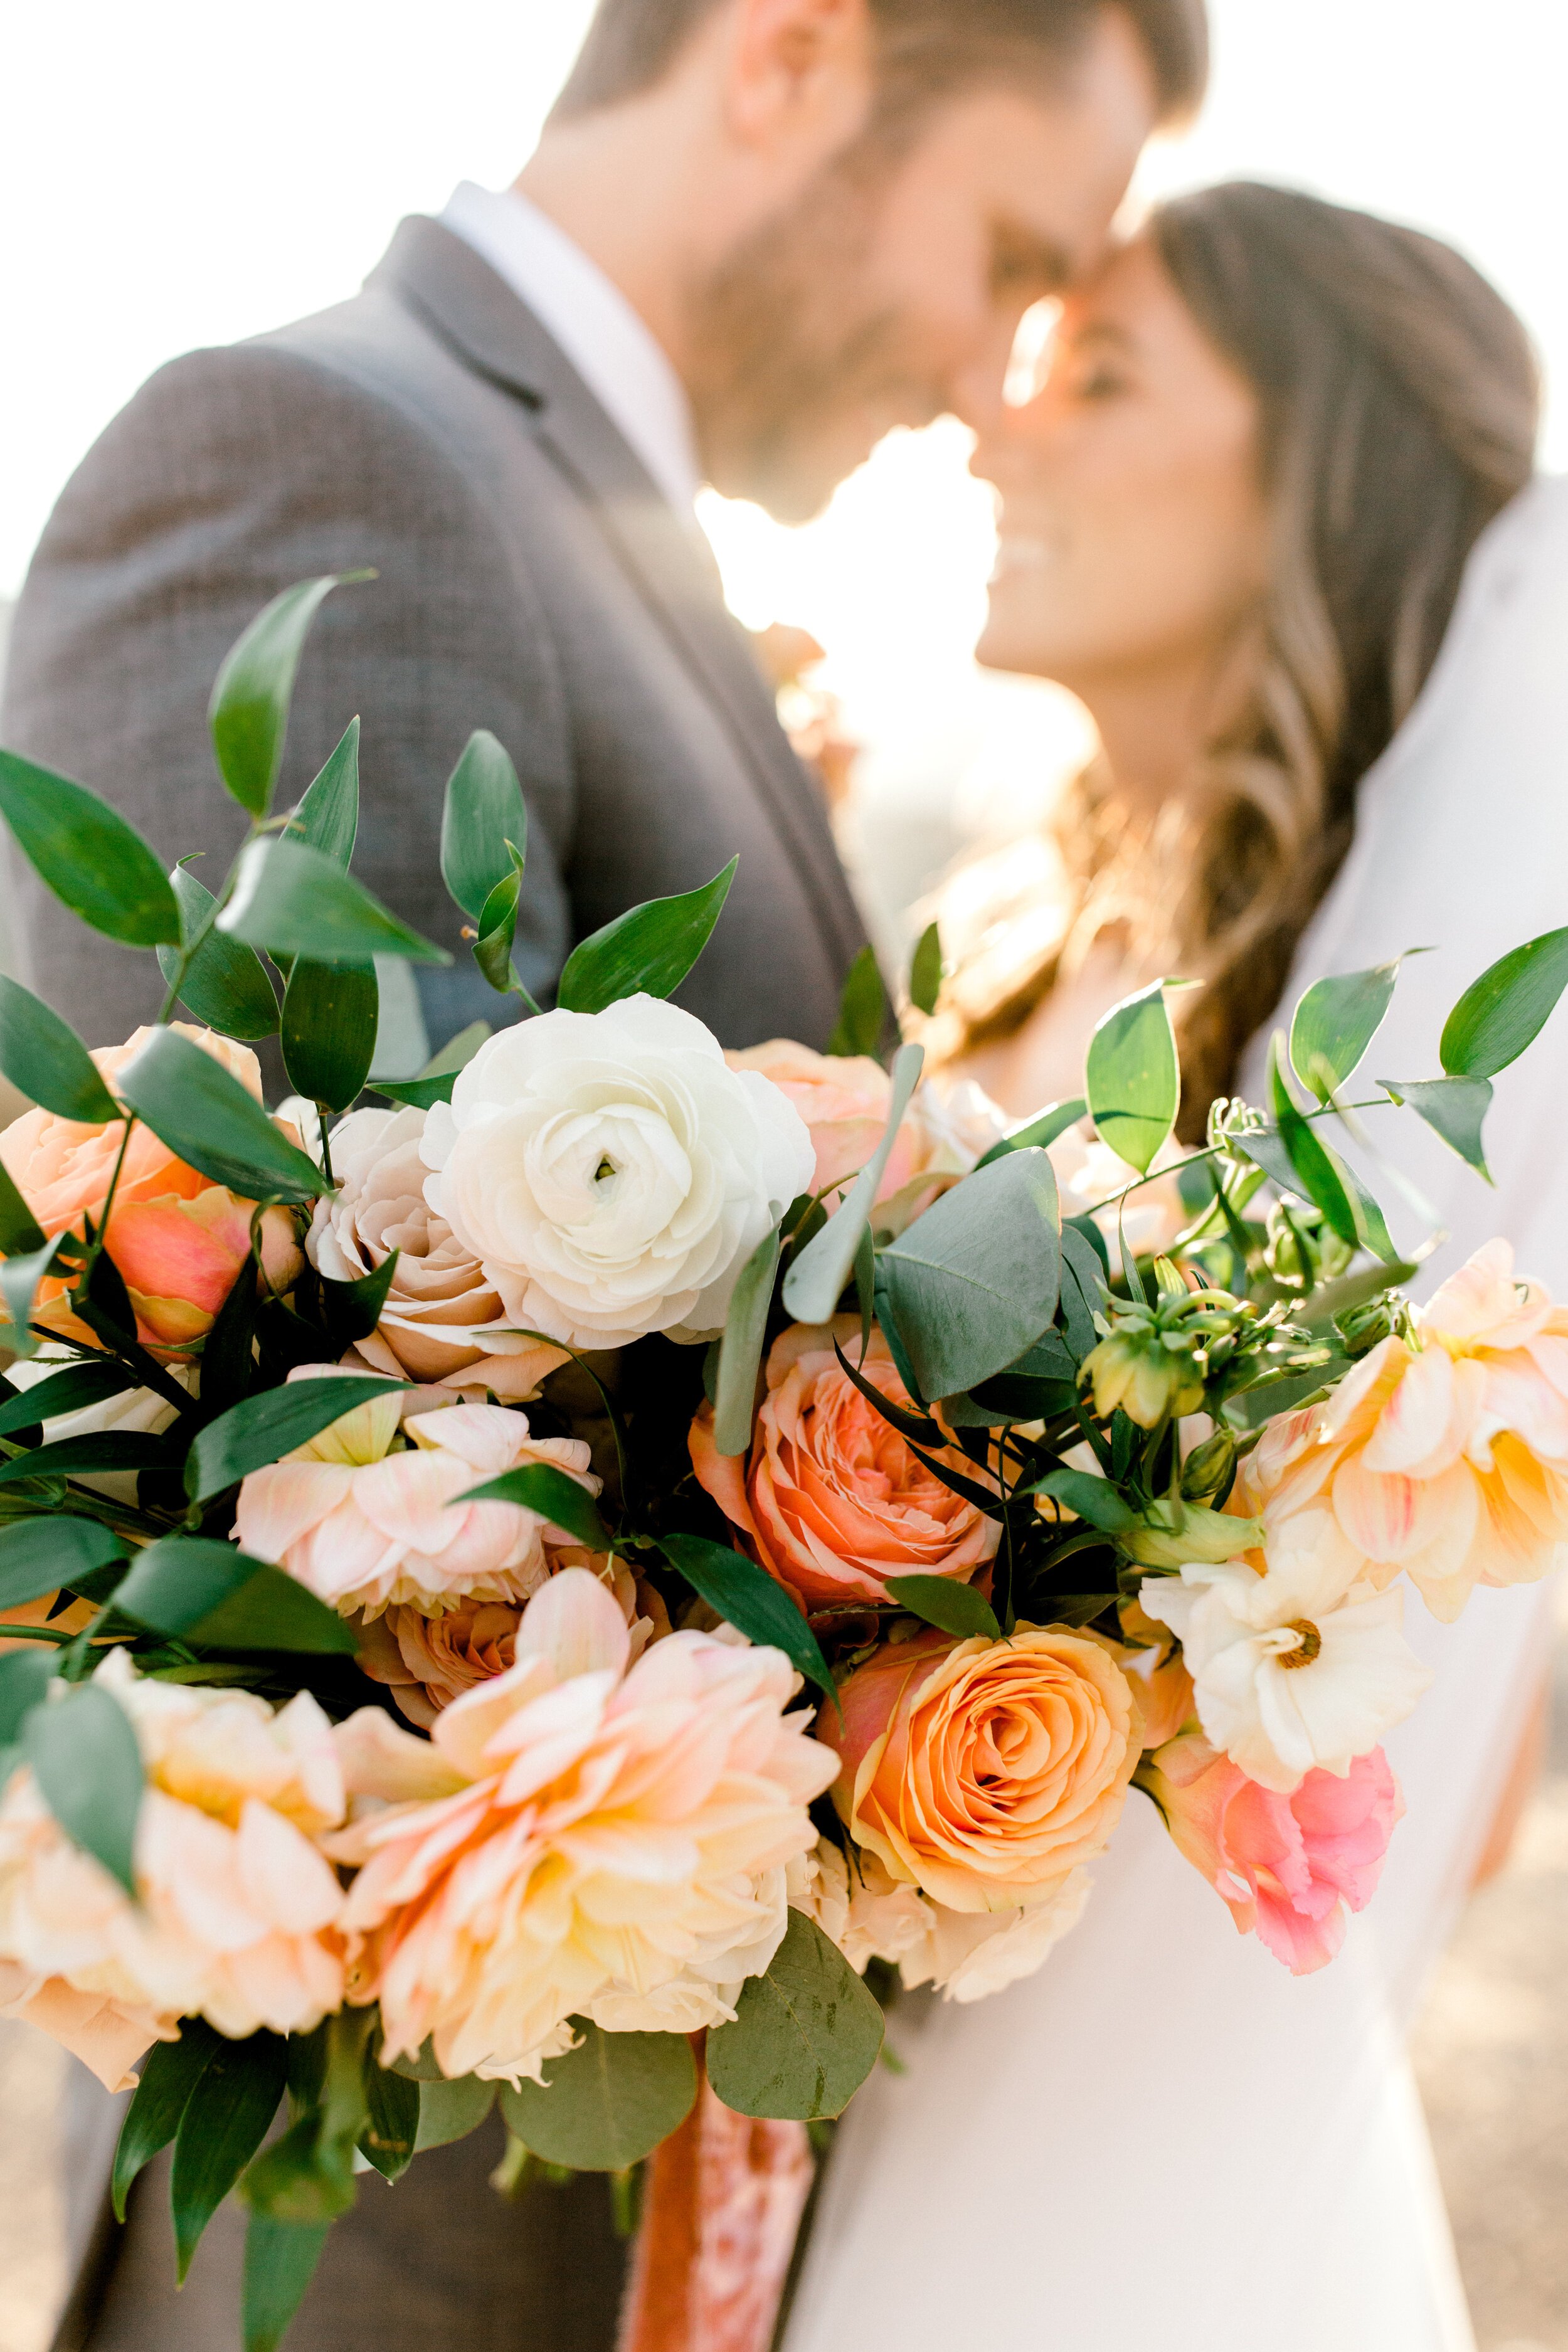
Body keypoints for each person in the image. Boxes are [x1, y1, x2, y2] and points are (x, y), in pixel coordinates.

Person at [7, 4, 1209, 2348]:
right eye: (999, 253)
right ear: (790, 54)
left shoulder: (556, 512)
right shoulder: (316, 450)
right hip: (420, 2229)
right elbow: (307, 1435)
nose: (988, 376)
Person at [783, 184, 1561, 2352]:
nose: (992, 429)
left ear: (1319, 474)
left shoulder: (1388, 1077)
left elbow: (1451, 1784)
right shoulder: (1018, 952)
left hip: (1130, 2172)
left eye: (1094, 376)